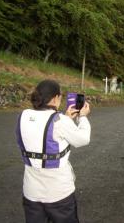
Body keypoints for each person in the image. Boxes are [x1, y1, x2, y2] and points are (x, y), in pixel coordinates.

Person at [16, 79, 91, 223]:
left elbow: (41, 127)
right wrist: (82, 117)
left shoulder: (23, 116)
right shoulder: (60, 121)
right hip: (59, 194)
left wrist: (66, 118)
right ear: (56, 98)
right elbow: (83, 139)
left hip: (31, 193)